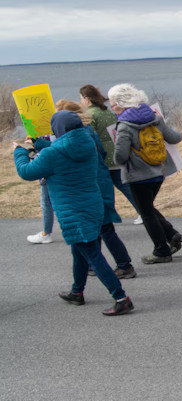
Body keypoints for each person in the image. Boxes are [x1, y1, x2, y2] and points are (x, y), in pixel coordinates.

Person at [13, 111, 135, 316]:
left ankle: (121, 298)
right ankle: (77, 292)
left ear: (58, 129)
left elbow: (26, 172)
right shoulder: (86, 143)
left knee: (92, 254)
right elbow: (61, 150)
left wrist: (19, 152)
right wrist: (40, 145)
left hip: (73, 211)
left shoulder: (55, 154)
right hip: (93, 205)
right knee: (80, 249)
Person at [55, 99, 136, 280]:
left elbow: (65, 153)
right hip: (101, 181)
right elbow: (103, 153)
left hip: (96, 185)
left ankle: (124, 265)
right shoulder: (88, 132)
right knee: (98, 229)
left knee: (105, 228)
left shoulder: (79, 137)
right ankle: (93, 264)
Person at [109, 83, 182, 264]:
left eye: (113, 106)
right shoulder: (154, 117)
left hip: (137, 176)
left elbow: (119, 157)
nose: (113, 109)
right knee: (148, 208)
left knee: (146, 213)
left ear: (121, 104)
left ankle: (162, 251)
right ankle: (171, 234)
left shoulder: (124, 125)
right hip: (158, 172)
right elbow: (175, 138)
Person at [80, 84, 141, 225]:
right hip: (115, 152)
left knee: (106, 189)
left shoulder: (91, 114)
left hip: (104, 157)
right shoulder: (107, 111)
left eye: (82, 98)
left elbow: (91, 135)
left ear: (87, 99)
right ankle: (142, 211)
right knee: (125, 186)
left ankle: (109, 216)